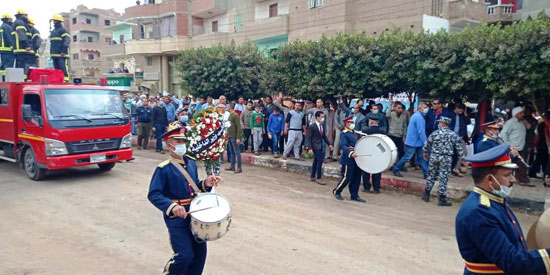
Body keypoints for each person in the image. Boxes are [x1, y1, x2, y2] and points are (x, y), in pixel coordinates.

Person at [455, 143, 550, 275]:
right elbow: (513, 262)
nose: (513, 179)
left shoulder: (494, 201)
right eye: (507, 175)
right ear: (489, 179)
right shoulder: (479, 212)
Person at [147, 122, 222, 275]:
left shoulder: (191, 163)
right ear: (170, 145)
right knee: (184, 256)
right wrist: (172, 206)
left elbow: (193, 186)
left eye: (183, 141)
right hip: (177, 218)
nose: (182, 144)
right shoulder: (164, 168)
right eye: (178, 142)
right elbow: (154, 194)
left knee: (199, 256)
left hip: (195, 215)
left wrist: (205, 183)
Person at [422, 116, 464, 206]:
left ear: (442, 124)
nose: (438, 124)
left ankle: (426, 194)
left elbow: (427, 144)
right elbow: (459, 148)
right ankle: (441, 198)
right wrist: (462, 159)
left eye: (439, 122)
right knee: (443, 177)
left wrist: (425, 152)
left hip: (434, 156)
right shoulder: (453, 135)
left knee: (431, 175)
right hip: (446, 158)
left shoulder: (435, 133)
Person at [332, 116, 366, 202]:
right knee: (347, 177)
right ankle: (337, 191)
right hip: (348, 159)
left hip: (357, 159)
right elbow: (343, 145)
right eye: (350, 122)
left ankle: (354, 195)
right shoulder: (344, 134)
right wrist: (351, 153)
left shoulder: (356, 133)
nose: (351, 124)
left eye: (352, 122)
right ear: (346, 124)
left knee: (356, 178)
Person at [392, 103, 430, 178]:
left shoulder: (416, 116)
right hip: (414, 141)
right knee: (408, 157)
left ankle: (426, 173)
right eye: (425, 107)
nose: (426, 109)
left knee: (420, 157)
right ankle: (396, 169)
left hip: (415, 141)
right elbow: (421, 132)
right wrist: (425, 142)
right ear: (420, 108)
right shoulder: (419, 118)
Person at [501, 106, 533, 186]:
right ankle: (509, 180)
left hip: (520, 147)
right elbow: (503, 134)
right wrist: (508, 145)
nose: (523, 115)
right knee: (511, 165)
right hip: (512, 148)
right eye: (521, 113)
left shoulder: (522, 122)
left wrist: (523, 119)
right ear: (516, 114)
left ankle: (521, 179)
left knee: (520, 165)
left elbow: (529, 127)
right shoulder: (510, 123)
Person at [304, 111, 333, 185]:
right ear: (317, 117)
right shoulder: (312, 126)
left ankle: (313, 176)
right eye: (321, 117)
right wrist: (309, 148)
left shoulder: (322, 126)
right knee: (319, 161)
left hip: (320, 145)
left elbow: (324, 136)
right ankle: (318, 178)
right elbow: (308, 137)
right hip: (314, 146)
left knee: (316, 161)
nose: (322, 118)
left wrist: (329, 144)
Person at [362, 115, 386, 194]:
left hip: (367, 152)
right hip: (378, 153)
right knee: (377, 171)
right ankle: (376, 188)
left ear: (371, 121)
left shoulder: (365, 130)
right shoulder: (382, 131)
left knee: (366, 170)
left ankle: (366, 187)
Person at [449, 103, 469, 177]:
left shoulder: (463, 116)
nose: (461, 112)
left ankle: (456, 168)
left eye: (462, 111)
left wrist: (465, 114)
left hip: (460, 137)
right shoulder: (450, 114)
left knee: (464, 152)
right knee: (451, 154)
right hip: (451, 137)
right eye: (460, 110)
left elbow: (468, 122)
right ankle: (449, 170)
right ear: (456, 108)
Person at [49, 14, 71, 82]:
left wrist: (63, 51)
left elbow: (67, 41)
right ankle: (58, 79)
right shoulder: (53, 31)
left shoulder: (63, 30)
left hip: (62, 54)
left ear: (58, 21)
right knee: (56, 69)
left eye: (55, 21)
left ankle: (66, 79)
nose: (54, 22)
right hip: (55, 54)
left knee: (63, 67)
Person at [12, 9, 32, 78]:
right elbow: (22, 35)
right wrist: (27, 45)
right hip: (22, 49)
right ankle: (23, 80)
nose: (27, 17)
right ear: (22, 15)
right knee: (23, 67)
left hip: (17, 49)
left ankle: (20, 79)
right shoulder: (20, 23)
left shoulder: (16, 22)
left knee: (19, 67)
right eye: (26, 15)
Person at [225, 103, 242, 174]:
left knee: (237, 152)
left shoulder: (235, 115)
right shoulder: (230, 115)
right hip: (230, 135)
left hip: (234, 136)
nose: (226, 107)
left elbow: (238, 127)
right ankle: (232, 166)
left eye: (227, 106)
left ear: (230, 107)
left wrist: (238, 137)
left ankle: (239, 167)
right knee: (232, 152)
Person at [0, 13, 14, 81]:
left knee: (3, 65)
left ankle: (3, 78)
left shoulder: (2, 26)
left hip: (2, 50)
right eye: (10, 19)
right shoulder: (7, 27)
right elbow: (9, 37)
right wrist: (12, 46)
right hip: (8, 49)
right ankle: (7, 79)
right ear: (7, 19)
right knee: (8, 65)